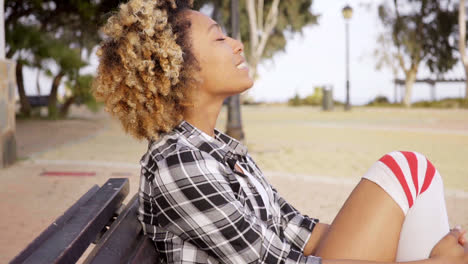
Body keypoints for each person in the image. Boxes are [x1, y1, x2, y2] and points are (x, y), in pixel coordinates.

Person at [92, 0, 468, 263]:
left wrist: (419, 242)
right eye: (220, 39)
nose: (238, 45)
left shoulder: (216, 151)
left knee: (412, 175)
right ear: (178, 69)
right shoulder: (180, 163)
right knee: (405, 168)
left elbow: (296, 230)